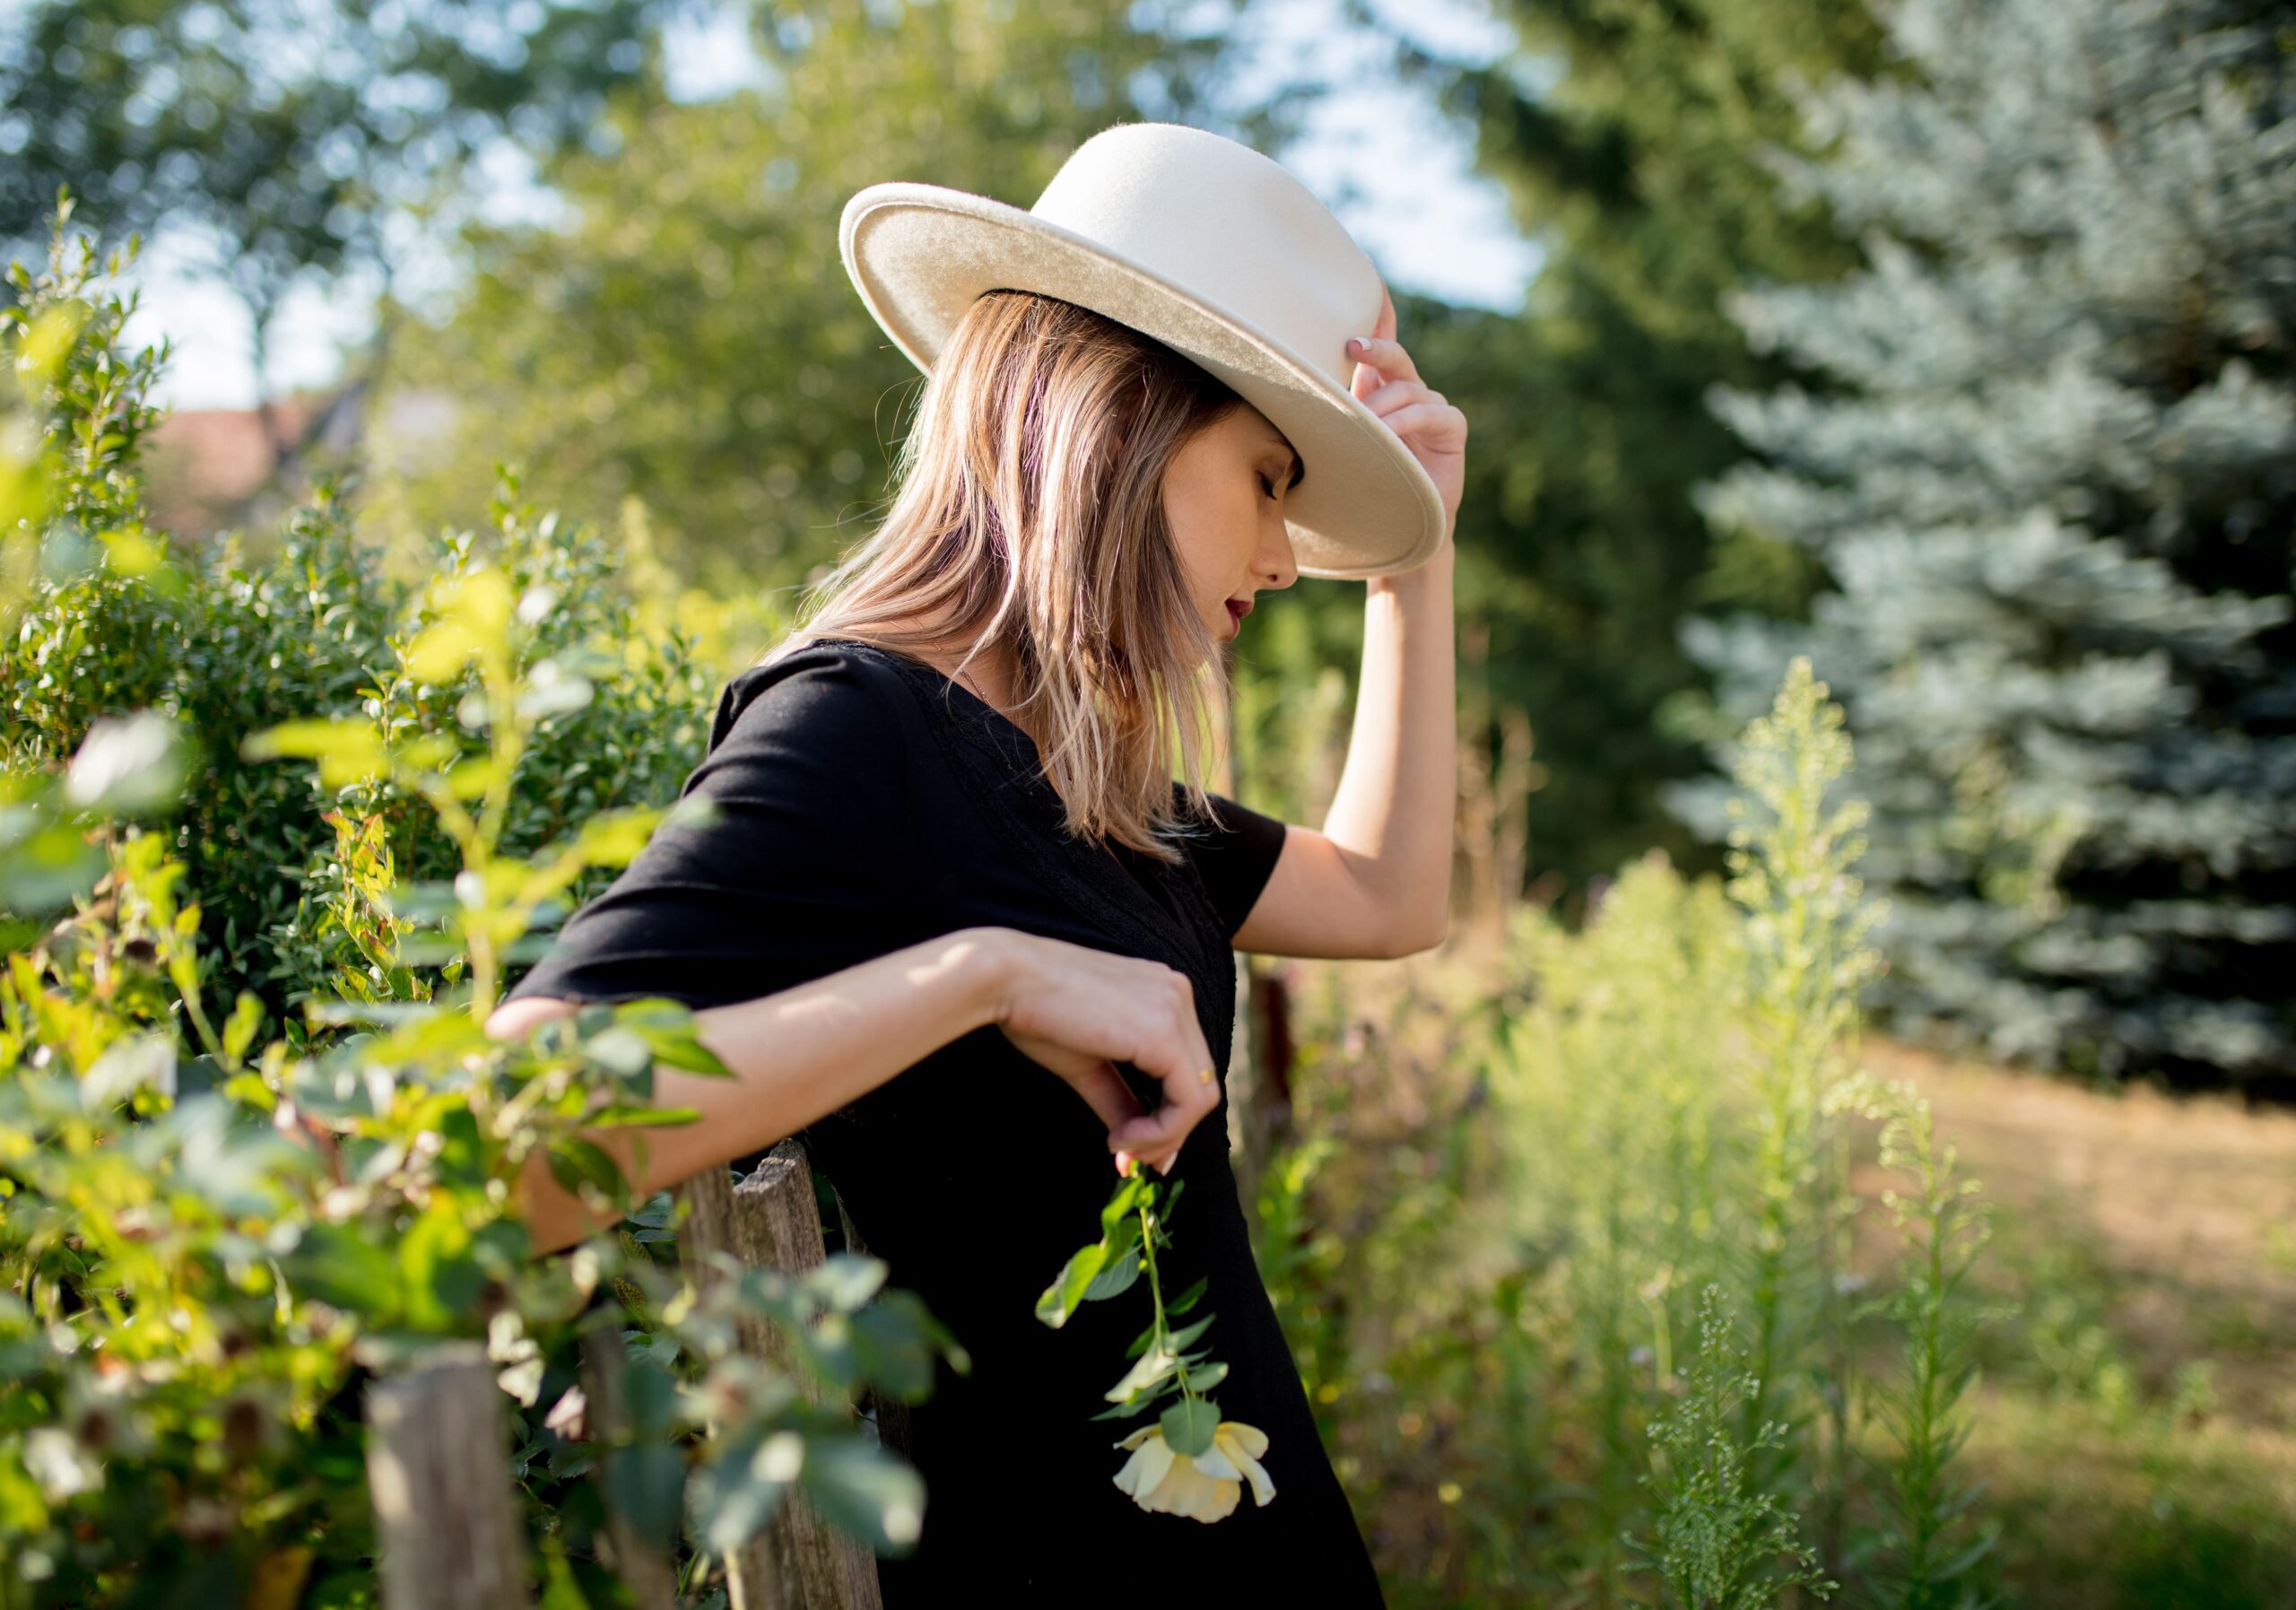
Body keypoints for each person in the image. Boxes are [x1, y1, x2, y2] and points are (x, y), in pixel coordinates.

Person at [485, 121, 1465, 1606]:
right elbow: (498, 1152)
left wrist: (1419, 557)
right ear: (1118, 420)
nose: (1279, 558)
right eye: (1268, 479)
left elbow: (1392, 899)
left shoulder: (1077, 776)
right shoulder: (855, 734)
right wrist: (979, 978)